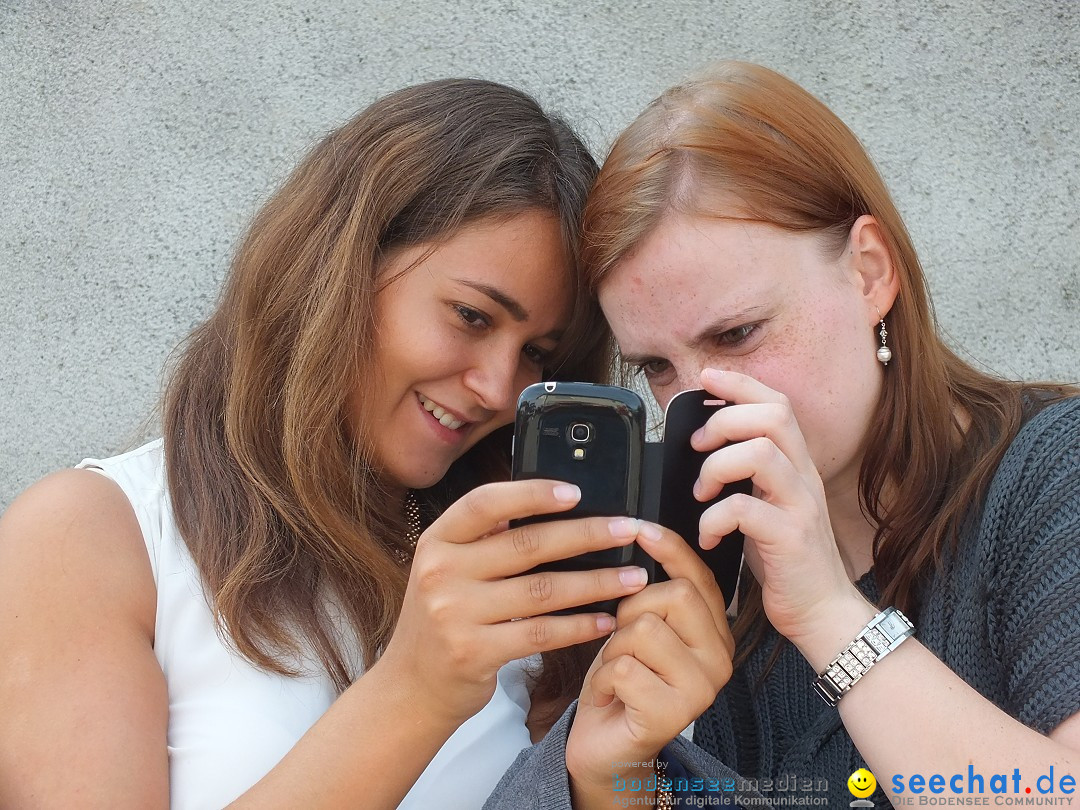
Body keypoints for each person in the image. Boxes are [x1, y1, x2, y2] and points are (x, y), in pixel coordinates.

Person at [0, 78, 667, 809]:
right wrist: (415, 693)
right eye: (472, 316)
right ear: (341, 270)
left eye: (538, 354)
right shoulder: (92, 535)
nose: (498, 389)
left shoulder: (519, 574)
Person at [483, 61, 1080, 809]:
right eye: (657, 366)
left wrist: (829, 614)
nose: (701, 400)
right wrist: (614, 783)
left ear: (868, 274)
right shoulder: (702, 540)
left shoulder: (1052, 473)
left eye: (737, 334)